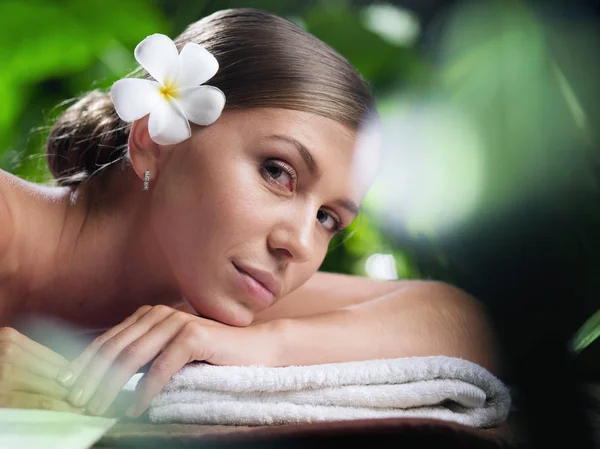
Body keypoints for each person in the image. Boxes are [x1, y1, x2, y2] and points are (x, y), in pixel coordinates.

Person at [0, 8, 499, 418]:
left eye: (329, 218)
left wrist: (266, 348)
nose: (301, 245)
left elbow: (464, 322)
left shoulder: (195, 299)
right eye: (278, 171)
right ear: (154, 136)